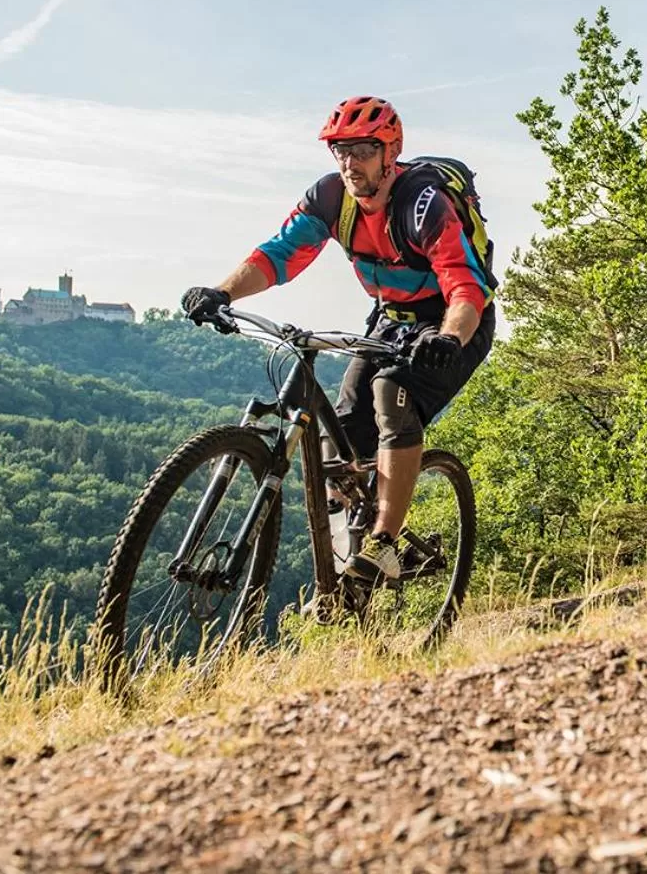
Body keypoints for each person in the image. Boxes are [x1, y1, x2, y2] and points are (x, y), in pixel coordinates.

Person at [179, 96, 495, 590]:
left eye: (363, 151)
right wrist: (222, 291)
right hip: (390, 320)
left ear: (391, 152)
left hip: (452, 327)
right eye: (340, 151)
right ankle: (349, 566)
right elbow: (280, 254)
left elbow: (465, 286)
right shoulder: (331, 199)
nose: (350, 163)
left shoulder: (423, 203)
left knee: (392, 395)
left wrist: (449, 338)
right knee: (339, 438)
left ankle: (384, 546)